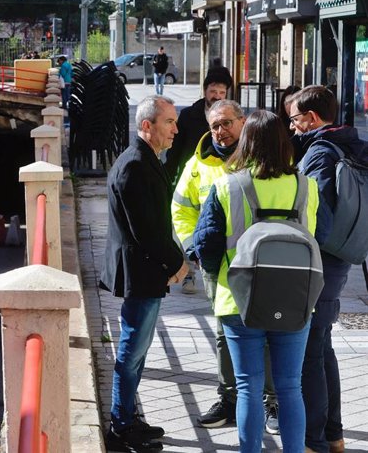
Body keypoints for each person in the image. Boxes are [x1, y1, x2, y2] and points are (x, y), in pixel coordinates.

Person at [193, 110, 325, 453]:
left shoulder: (227, 185)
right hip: (295, 299)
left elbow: (205, 244)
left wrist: (219, 274)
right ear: (285, 143)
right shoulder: (306, 186)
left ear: (246, 142)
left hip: (239, 300)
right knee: (290, 387)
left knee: (248, 387)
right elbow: (316, 236)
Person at [171, 100, 279, 433]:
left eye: (227, 123)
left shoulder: (265, 156)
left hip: (264, 265)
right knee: (224, 334)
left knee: (268, 332)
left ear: (243, 121)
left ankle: (270, 402)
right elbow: (180, 209)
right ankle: (229, 399)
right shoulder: (197, 165)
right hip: (219, 267)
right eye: (215, 125)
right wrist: (194, 248)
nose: (221, 131)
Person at [100, 95, 190, 453]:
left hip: (143, 270)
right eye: (169, 122)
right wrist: (178, 263)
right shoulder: (135, 165)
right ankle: (122, 424)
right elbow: (147, 231)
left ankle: (127, 416)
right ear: (147, 126)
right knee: (131, 351)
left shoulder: (143, 159)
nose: (176, 129)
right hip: (141, 272)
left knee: (136, 349)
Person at [287, 85, 368, 453]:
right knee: (322, 348)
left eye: (294, 120)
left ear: (312, 118)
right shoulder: (352, 142)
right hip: (340, 260)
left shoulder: (319, 152)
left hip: (320, 263)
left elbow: (313, 216)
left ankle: (314, 440)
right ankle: (333, 435)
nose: (291, 128)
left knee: (309, 355)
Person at [164, 63, 232, 294]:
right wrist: (168, 173)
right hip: (191, 179)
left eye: (222, 93)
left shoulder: (232, 117)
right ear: (205, 91)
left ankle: (215, 273)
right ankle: (188, 274)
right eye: (213, 91)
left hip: (221, 182)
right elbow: (175, 149)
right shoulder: (189, 115)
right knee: (187, 227)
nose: (217, 96)